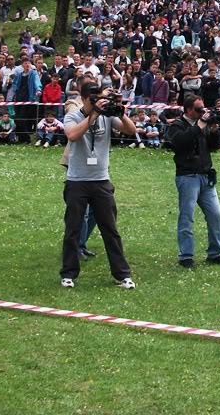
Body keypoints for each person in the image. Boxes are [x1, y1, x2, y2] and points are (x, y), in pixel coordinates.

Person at [60, 83, 137, 289]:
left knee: (110, 229)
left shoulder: (107, 116)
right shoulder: (73, 115)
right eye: (93, 98)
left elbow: (132, 130)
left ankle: (122, 274)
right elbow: (72, 135)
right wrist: (92, 116)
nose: (98, 102)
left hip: (101, 180)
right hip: (77, 181)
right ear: (84, 99)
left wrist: (120, 112)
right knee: (73, 229)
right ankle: (68, 274)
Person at [169, 95, 220, 269]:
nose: (202, 112)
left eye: (203, 108)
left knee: (216, 216)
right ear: (188, 110)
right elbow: (180, 142)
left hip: (205, 176)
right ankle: (186, 255)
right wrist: (201, 124)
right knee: (187, 216)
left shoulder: (202, 126)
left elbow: (213, 147)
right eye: (198, 109)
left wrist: (215, 130)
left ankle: (215, 253)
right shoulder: (177, 126)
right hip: (188, 177)